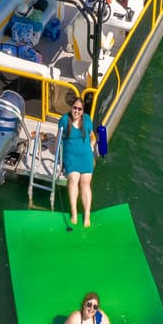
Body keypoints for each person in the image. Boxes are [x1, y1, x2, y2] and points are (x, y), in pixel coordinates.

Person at [57, 96, 96, 227]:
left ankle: (87, 215)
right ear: (71, 107)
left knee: (85, 183)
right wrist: (59, 156)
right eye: (75, 108)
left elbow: (91, 136)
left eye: (80, 109)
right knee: (73, 180)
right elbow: (58, 138)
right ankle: (74, 213)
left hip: (85, 156)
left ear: (83, 111)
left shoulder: (87, 120)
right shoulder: (64, 120)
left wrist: (92, 145)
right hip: (71, 156)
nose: (77, 111)